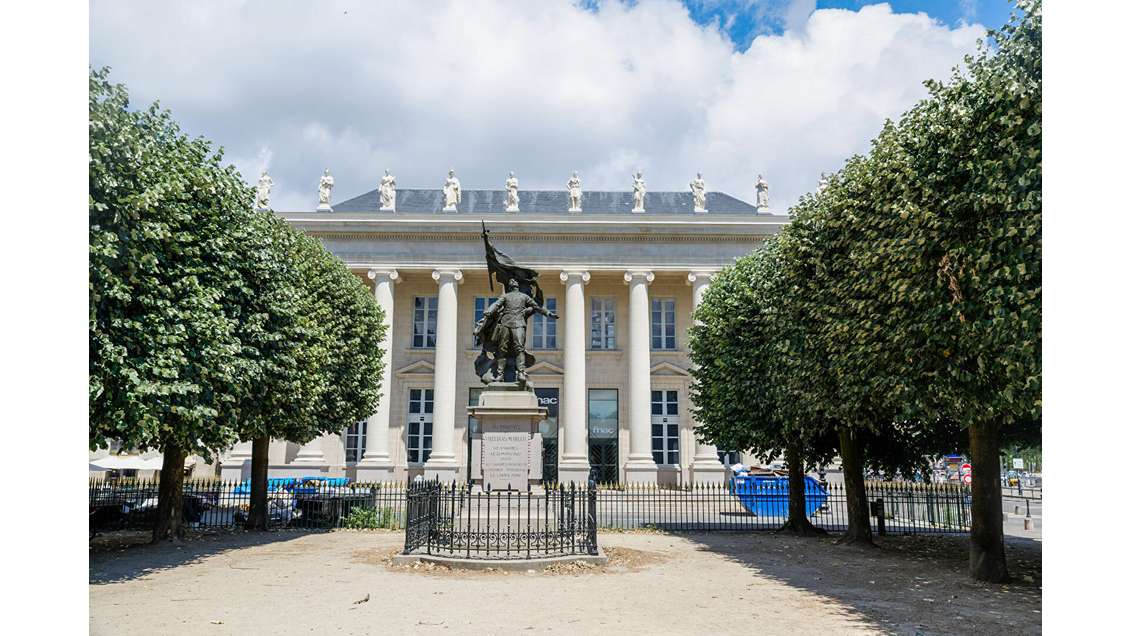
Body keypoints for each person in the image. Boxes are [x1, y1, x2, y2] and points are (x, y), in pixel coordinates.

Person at [474, 278, 558, 385]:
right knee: (503, 349)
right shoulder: (506, 296)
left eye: (514, 283)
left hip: (518, 324)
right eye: (512, 283)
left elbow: (536, 306)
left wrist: (548, 313)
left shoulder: (524, 297)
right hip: (506, 324)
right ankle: (500, 374)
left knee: (518, 349)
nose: (513, 284)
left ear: (517, 286)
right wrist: (489, 311)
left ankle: (521, 373)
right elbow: (496, 305)